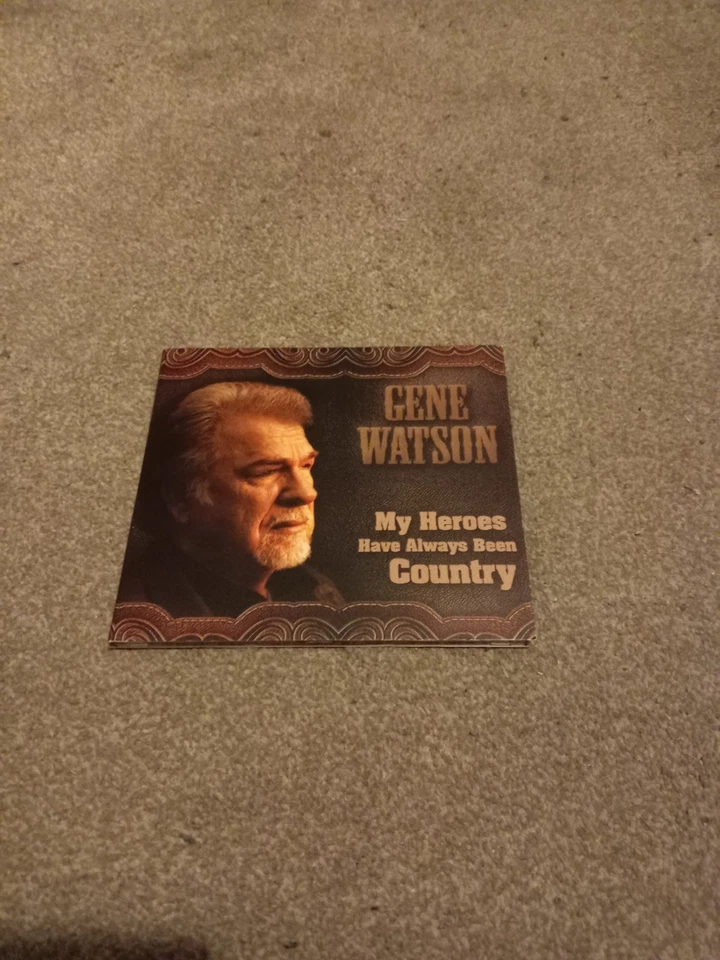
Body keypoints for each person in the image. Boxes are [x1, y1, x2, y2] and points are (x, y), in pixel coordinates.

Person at [117, 381, 344, 617]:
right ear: (180, 499)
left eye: (306, 465)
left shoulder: (315, 589)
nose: (306, 493)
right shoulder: (135, 615)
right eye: (266, 471)